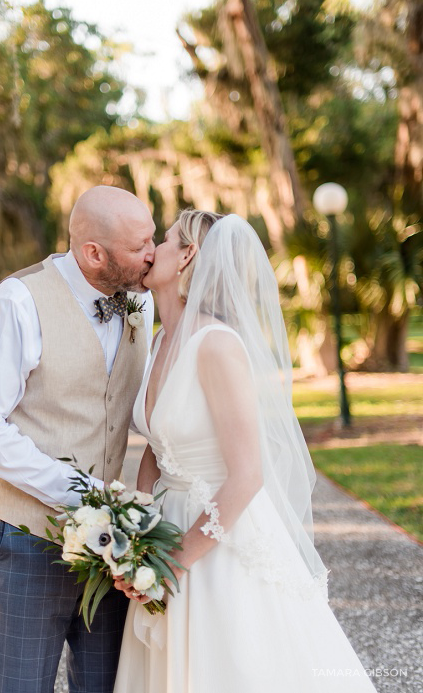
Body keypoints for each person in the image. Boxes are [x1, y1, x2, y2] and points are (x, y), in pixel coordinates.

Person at [113, 209, 376, 692]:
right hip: (163, 529)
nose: (154, 249)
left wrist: (174, 561)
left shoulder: (216, 345)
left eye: (167, 240)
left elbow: (247, 474)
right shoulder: (158, 341)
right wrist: (140, 522)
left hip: (217, 538)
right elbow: (157, 446)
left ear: (189, 255)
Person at [0, 185, 157, 693]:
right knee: (23, 683)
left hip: (112, 544)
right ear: (95, 253)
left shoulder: (141, 303)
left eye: (153, 238)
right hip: (29, 538)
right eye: (140, 246)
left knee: (106, 684)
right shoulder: (18, 302)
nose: (153, 254)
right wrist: (77, 493)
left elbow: (125, 408)